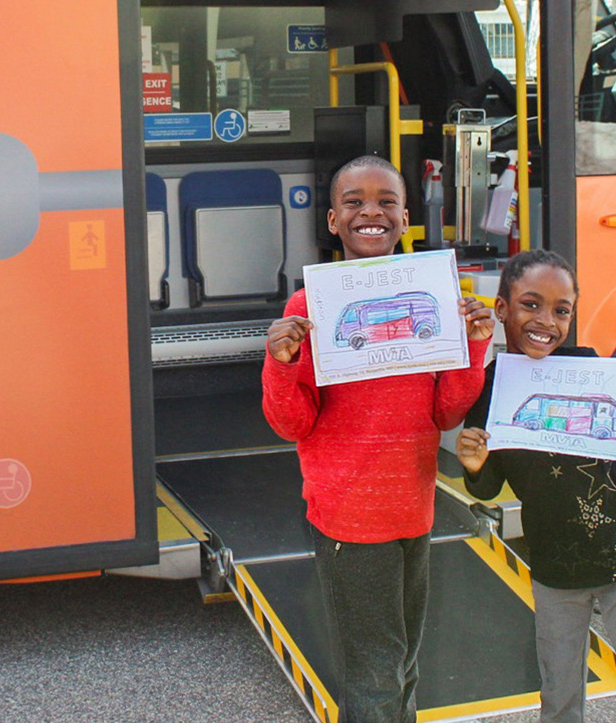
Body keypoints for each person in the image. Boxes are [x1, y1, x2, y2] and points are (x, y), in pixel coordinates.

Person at [262, 154, 494, 723]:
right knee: (375, 676)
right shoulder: (307, 309)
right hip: (348, 518)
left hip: (413, 510)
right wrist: (281, 361)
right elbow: (291, 424)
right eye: (354, 202)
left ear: (406, 217)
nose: (372, 211)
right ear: (333, 222)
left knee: (402, 666)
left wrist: (472, 348)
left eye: (387, 201)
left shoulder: (434, 301)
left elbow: (445, 414)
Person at [455, 249, 616, 723]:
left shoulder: (588, 367)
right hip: (555, 571)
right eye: (531, 304)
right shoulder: (492, 389)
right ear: (502, 309)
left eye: (561, 310)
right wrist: (476, 465)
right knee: (560, 695)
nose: (547, 320)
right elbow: (486, 489)